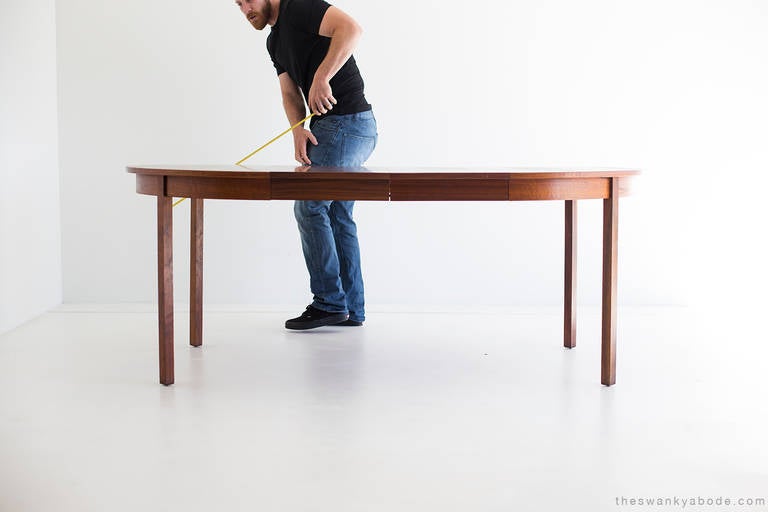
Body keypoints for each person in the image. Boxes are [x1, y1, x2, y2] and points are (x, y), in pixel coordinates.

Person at [236, 0, 377, 330]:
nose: (245, 9)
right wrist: (298, 128)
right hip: (333, 127)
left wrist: (321, 77)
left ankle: (329, 302)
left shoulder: (299, 7)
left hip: (348, 123)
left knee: (310, 206)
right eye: (238, 4)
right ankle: (351, 308)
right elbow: (289, 92)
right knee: (336, 213)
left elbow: (351, 29)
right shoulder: (273, 41)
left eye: (248, 0)